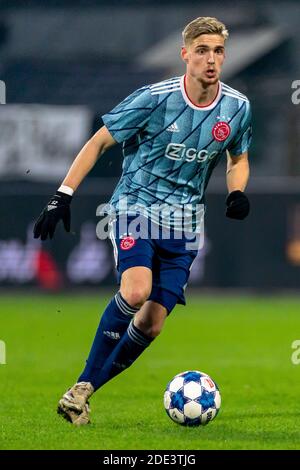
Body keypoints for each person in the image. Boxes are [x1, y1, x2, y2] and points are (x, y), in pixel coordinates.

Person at [33, 16, 252, 426]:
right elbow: (100, 140)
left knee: (151, 325)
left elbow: (237, 158)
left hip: (186, 225)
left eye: (218, 51)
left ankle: (83, 391)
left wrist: (237, 190)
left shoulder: (237, 108)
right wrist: (62, 196)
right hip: (137, 207)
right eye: (202, 50)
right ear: (185, 53)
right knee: (136, 291)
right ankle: (83, 386)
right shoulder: (155, 98)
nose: (211, 59)